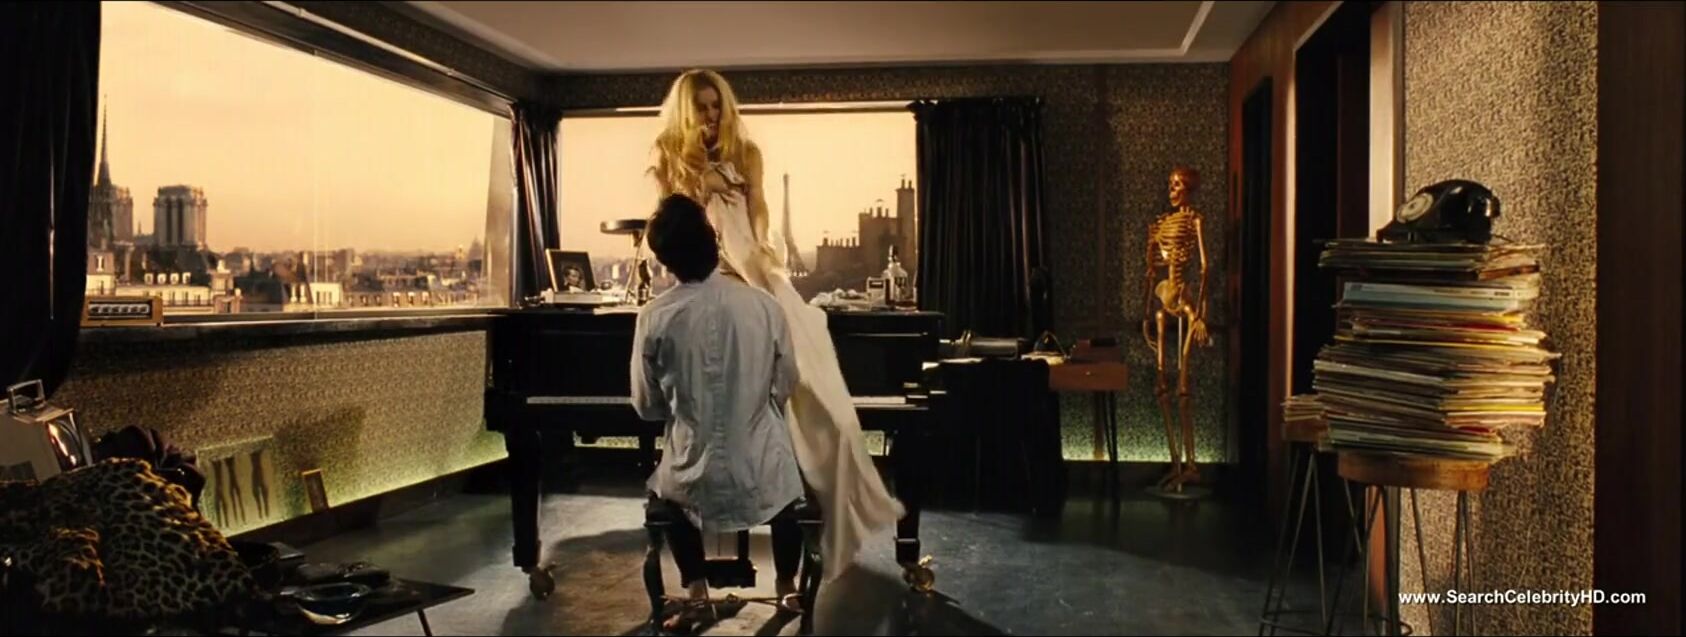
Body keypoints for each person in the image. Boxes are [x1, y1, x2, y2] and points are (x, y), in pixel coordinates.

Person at [647, 69, 905, 583]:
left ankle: (823, 487)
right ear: (685, 112)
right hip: (700, 269)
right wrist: (700, 186)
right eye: (701, 108)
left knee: (811, 374)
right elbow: (674, 225)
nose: (711, 116)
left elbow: (759, 214)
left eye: (717, 106)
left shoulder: (747, 153)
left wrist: (759, 259)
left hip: (749, 263)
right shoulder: (667, 157)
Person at [632, 194, 807, 629]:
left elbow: (647, 407)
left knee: (669, 490)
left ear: (665, 260)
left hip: (692, 475)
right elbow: (785, 384)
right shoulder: (765, 306)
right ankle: (787, 586)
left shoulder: (653, 316)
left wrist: (685, 411)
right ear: (713, 242)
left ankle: (697, 593)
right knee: (786, 485)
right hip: (761, 471)